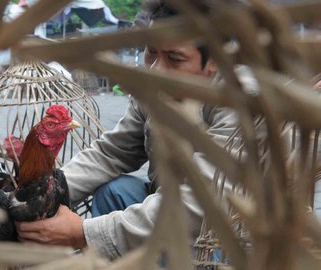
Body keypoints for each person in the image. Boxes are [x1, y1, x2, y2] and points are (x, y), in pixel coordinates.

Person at [15, 0, 241, 259]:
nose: (156, 69)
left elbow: (200, 204)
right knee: (115, 191)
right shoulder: (154, 89)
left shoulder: (244, 103)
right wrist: (46, 191)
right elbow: (112, 152)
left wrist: (83, 232)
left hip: (221, 232)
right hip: (166, 202)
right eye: (151, 52)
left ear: (216, 61)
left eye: (174, 59)